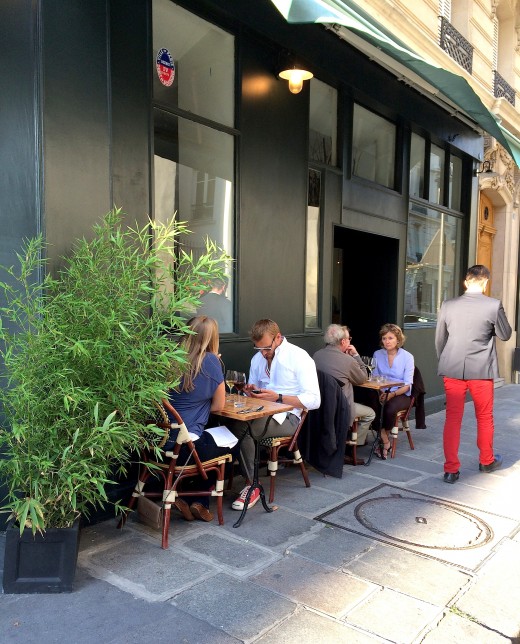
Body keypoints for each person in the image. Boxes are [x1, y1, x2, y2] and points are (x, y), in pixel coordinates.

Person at [229, 318, 321, 510]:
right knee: (230, 420)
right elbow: (258, 392)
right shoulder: (257, 359)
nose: (263, 353)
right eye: (258, 349)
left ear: (278, 338)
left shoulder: (299, 357)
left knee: (241, 427)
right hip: (261, 412)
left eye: (266, 349)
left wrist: (278, 397)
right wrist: (252, 391)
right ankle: (247, 479)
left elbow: (314, 400)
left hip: (289, 417)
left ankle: (252, 485)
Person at [435, 265, 512, 484]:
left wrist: (445, 361)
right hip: (481, 370)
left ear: (466, 282)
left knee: (452, 419)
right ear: (486, 282)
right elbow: (505, 334)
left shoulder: (448, 305)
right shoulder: (493, 305)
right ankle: (486, 461)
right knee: (484, 417)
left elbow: (440, 339)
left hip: (452, 368)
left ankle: (451, 470)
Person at [166, 315, 239, 521]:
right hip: (185, 447)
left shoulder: (169, 357)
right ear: (212, 338)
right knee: (232, 442)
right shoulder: (210, 361)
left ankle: (191, 499)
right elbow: (218, 406)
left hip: (157, 443)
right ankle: (199, 500)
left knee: (208, 442)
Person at [313, 324, 375, 446]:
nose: (349, 341)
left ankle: (345, 440)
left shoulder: (317, 355)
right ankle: (355, 444)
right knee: (370, 413)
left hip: (320, 406)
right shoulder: (348, 360)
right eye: (349, 339)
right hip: (341, 408)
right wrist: (356, 356)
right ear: (343, 341)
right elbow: (362, 378)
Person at [371, 323, 414, 459]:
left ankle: (382, 439)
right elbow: (375, 377)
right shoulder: (377, 354)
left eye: (390, 338)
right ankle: (386, 441)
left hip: (400, 393)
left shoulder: (408, 357)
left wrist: (392, 394)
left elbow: (407, 385)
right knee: (372, 407)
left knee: (389, 409)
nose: (387, 341)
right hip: (382, 391)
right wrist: (381, 393)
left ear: (398, 340)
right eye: (384, 338)